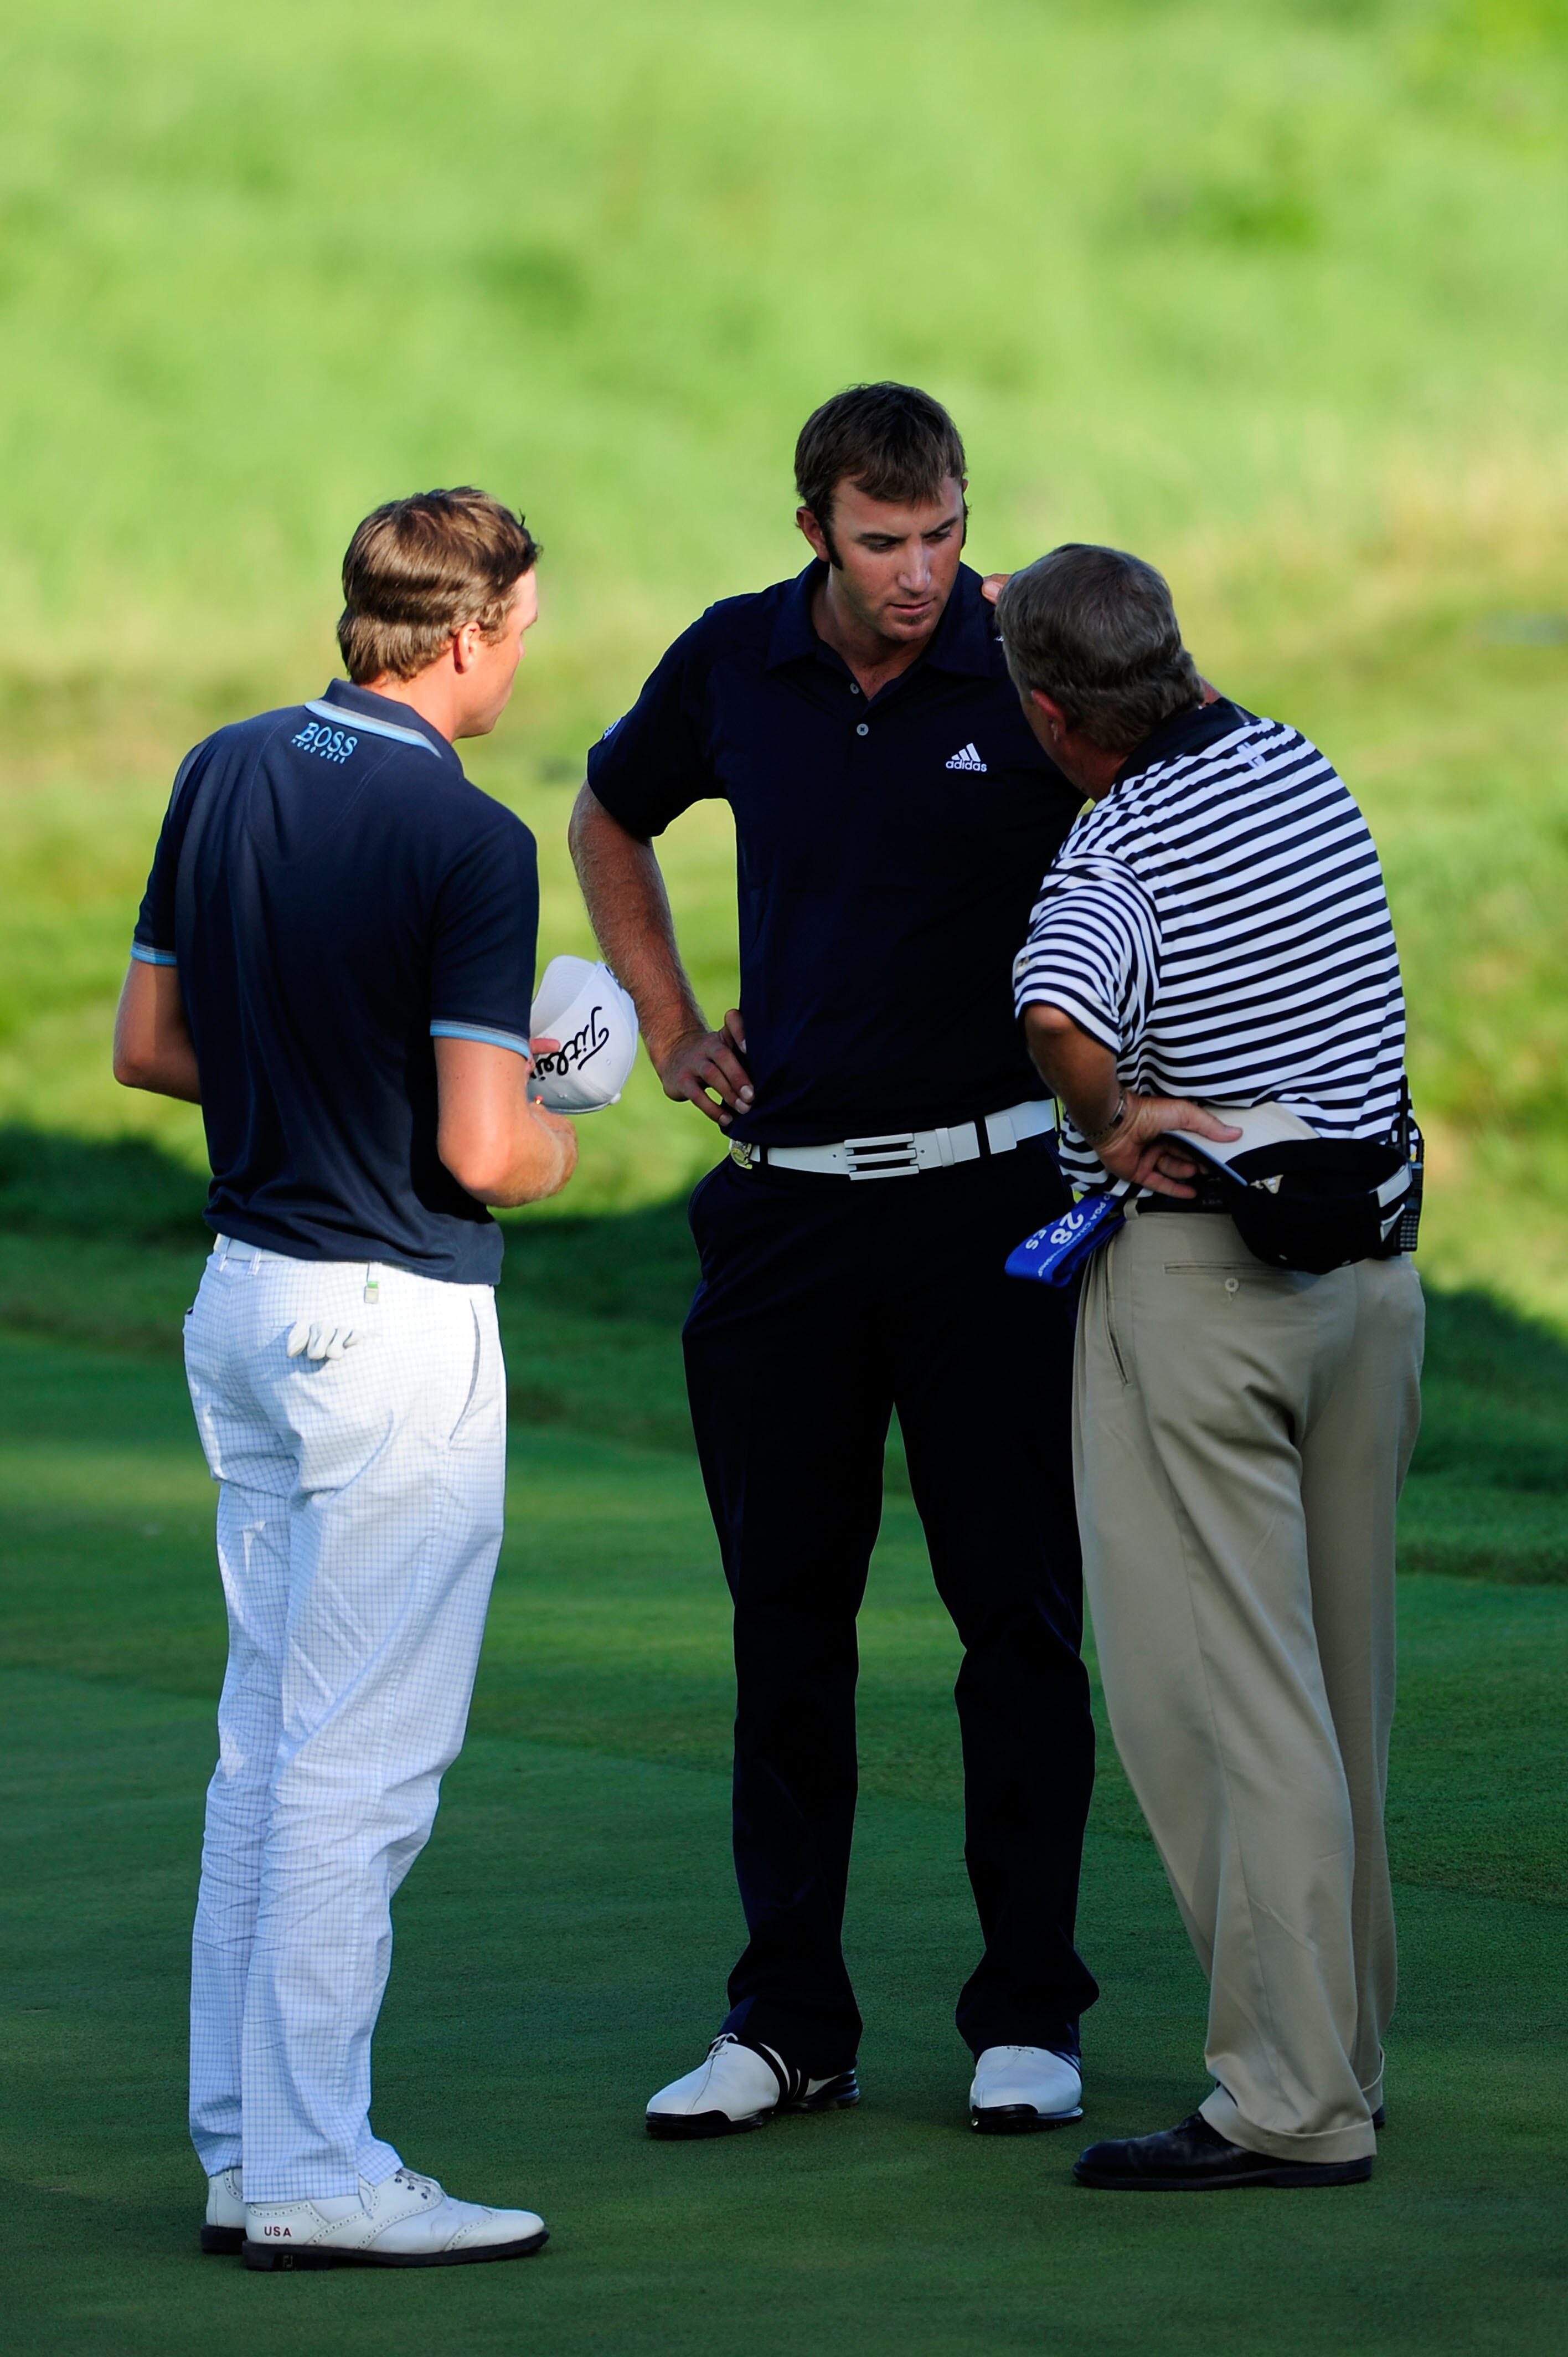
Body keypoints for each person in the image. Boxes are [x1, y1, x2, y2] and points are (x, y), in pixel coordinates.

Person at [570, 383, 1098, 2139]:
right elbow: (608, 815)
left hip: (991, 1212)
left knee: (1014, 1619)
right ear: (816, 530)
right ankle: (788, 2018)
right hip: (786, 1208)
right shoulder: (736, 659)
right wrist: (660, 1014)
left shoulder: (1025, 657)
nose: (922, 573)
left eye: (944, 533)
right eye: (885, 542)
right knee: (784, 1622)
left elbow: (1174, 826)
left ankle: (1029, 2010)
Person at [113, 488, 578, 2267]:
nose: (525, 657)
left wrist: (337, 1067)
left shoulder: (224, 760)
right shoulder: (466, 836)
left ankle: (246, 2152)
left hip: (244, 1303)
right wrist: (554, 1124)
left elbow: (154, 1046)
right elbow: (484, 1154)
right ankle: (316, 2173)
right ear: (467, 637)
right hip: (390, 1331)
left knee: (265, 1751)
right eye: (524, 630)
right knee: (357, 1768)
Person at [1000, 543, 1423, 2190]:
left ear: (1052, 713)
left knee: (1223, 1710)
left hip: (1202, 1301)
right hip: (1367, 1290)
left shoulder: (1105, 850)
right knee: (1339, 1692)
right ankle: (1348, 2055)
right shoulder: (1294, 761)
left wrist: (1113, 1117)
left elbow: (1054, 1014)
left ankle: (1288, 2102)